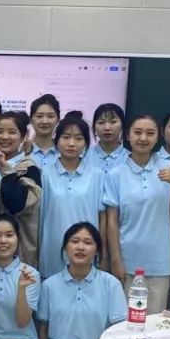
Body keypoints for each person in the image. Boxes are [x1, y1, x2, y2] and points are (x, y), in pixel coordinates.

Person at [104, 114, 170, 314]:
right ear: (127, 136)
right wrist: (116, 259)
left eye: (150, 133)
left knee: (155, 321)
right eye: (137, 132)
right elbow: (112, 220)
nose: (143, 138)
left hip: (160, 261)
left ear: (158, 136)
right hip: (127, 260)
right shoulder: (116, 173)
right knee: (126, 321)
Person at [39, 113, 104, 279]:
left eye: (78, 138)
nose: (71, 143)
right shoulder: (44, 173)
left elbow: (102, 217)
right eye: (66, 137)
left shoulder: (97, 175)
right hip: (52, 249)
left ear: (86, 143)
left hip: (86, 249)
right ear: (56, 140)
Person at [0, 111, 41, 265]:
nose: (5, 137)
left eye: (12, 132)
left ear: (23, 136)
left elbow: (17, 203)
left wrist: (6, 169)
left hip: (13, 251)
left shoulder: (28, 167)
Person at [85, 103, 129, 174]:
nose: (107, 128)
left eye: (113, 122)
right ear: (94, 127)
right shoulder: (84, 157)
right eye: (101, 122)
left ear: (122, 125)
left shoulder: (131, 159)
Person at [27, 94, 61, 170]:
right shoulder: (22, 151)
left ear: (58, 120)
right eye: (39, 116)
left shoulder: (64, 152)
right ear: (31, 120)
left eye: (50, 116)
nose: (45, 121)